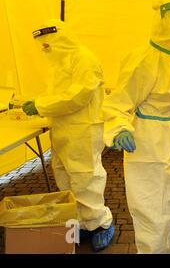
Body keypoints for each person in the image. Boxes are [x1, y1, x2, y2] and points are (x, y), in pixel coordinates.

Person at [102, 0, 170, 254]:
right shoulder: (144, 59)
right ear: (165, 22)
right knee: (154, 217)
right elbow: (117, 102)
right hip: (151, 148)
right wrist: (119, 128)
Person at [23, 19, 114, 252]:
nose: (45, 50)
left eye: (47, 45)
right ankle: (82, 222)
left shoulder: (84, 58)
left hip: (83, 129)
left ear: (60, 39)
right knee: (65, 178)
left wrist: (40, 105)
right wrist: (38, 105)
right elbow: (59, 95)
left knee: (86, 178)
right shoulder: (59, 62)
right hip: (63, 130)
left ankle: (101, 224)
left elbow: (77, 96)